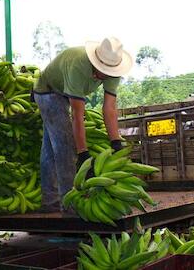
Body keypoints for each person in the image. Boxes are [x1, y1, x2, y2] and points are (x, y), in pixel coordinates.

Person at [33, 37, 133, 213]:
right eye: (102, 70)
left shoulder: (113, 71)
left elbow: (109, 108)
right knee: (64, 146)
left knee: (50, 148)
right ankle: (69, 205)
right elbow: (77, 116)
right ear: (96, 62)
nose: (104, 75)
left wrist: (116, 142)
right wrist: (83, 154)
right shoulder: (78, 65)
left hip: (65, 91)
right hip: (48, 92)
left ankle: (49, 201)